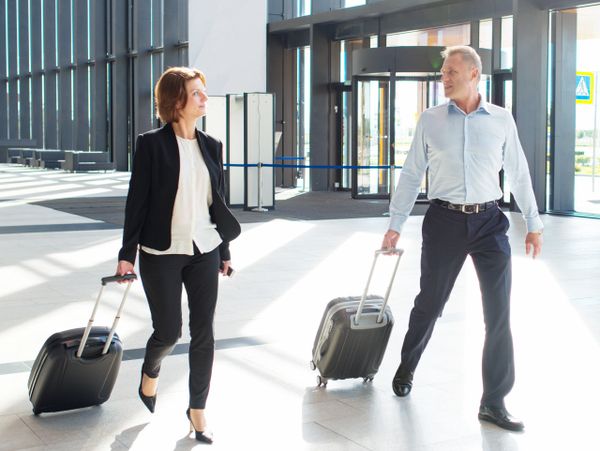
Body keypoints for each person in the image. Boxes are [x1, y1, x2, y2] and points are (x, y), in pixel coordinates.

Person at [381, 46, 543, 432]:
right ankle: (407, 366)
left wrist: (533, 224)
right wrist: (395, 223)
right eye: (443, 72)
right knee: (430, 304)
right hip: (444, 221)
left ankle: (494, 401)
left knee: (499, 314)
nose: (444, 78)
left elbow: (518, 174)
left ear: (474, 74)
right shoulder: (431, 120)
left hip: (489, 221)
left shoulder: (501, 120)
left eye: (452, 71)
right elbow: (410, 173)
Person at [116, 67, 240, 444]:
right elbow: (136, 202)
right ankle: (150, 371)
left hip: (204, 247)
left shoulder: (212, 145)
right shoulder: (151, 144)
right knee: (169, 331)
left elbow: (216, 203)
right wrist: (127, 256)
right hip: (161, 250)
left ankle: (197, 409)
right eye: (197, 93)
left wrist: (225, 250)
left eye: (204, 92)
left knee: (204, 333)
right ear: (176, 101)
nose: (204, 98)